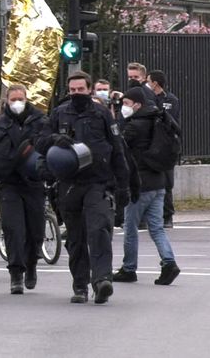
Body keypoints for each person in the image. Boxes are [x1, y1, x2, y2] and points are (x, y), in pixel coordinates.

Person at [35, 71, 129, 305]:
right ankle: (80, 286)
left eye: (81, 89)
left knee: (99, 231)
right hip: (69, 185)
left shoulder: (102, 114)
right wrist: (56, 139)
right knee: (75, 238)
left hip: (98, 182)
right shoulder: (59, 113)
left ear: (89, 90)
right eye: (73, 90)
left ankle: (101, 281)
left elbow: (117, 149)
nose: (77, 93)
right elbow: (40, 143)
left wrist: (124, 185)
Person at [113, 88, 180, 285]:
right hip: (159, 182)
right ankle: (169, 262)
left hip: (139, 184)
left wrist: (119, 119)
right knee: (157, 228)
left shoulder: (135, 126)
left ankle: (129, 268)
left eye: (126, 103)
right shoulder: (158, 118)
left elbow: (119, 144)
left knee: (130, 227)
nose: (124, 107)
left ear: (137, 104)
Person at [0, 85, 46, 294]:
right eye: (13, 99)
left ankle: (31, 264)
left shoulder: (39, 121)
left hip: (33, 182)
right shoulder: (0, 125)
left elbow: (46, 145)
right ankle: (16, 274)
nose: (17, 103)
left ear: (26, 99)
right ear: (7, 101)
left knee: (35, 230)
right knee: (13, 229)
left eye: (20, 98)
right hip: (10, 183)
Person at [145, 70, 180, 228]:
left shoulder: (170, 99)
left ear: (155, 83)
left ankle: (168, 216)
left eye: (148, 81)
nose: (147, 84)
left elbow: (170, 121)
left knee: (167, 183)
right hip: (150, 145)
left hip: (166, 146)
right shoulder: (148, 98)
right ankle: (149, 216)